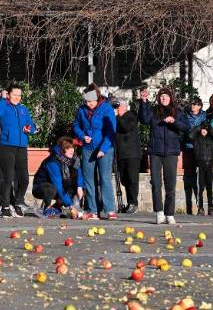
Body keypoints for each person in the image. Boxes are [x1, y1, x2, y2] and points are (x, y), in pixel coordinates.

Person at [138, 87, 189, 224]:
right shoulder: (154, 111)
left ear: (170, 98)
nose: (163, 98)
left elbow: (186, 127)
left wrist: (174, 122)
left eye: (166, 96)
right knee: (155, 182)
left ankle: (169, 213)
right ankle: (159, 212)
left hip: (172, 151)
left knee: (170, 184)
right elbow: (143, 119)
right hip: (155, 151)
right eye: (161, 96)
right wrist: (144, 101)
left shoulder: (177, 112)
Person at [72, 83, 117, 220]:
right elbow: (76, 125)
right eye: (86, 101)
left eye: (90, 101)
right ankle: (93, 210)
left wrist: (103, 149)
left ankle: (110, 210)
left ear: (97, 98)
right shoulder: (81, 110)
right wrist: (82, 136)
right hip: (87, 148)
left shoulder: (107, 109)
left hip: (105, 148)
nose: (88, 104)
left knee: (104, 178)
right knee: (89, 179)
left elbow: (111, 131)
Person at [0, 83, 38, 218]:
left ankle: (18, 203)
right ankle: (5, 206)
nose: (17, 97)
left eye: (19, 95)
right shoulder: (4, 106)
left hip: (21, 146)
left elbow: (31, 124)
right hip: (6, 146)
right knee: (8, 178)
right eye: (14, 95)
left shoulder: (24, 109)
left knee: (24, 178)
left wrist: (31, 129)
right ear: (8, 94)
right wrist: (2, 98)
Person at [32, 136, 85, 219]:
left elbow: (79, 173)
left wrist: (80, 187)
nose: (72, 150)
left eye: (73, 147)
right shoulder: (52, 162)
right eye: (68, 148)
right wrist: (71, 206)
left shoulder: (74, 160)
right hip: (41, 187)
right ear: (62, 150)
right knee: (50, 188)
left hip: (59, 187)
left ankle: (56, 208)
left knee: (76, 186)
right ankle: (47, 209)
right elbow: (58, 185)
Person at [189, 120, 213, 216]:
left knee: (209, 187)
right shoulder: (196, 138)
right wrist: (199, 127)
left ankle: (210, 208)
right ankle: (200, 208)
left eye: (205, 129)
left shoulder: (211, 138)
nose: (204, 131)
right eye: (202, 129)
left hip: (209, 166)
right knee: (200, 188)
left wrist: (211, 129)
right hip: (200, 165)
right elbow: (190, 136)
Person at [113, 98, 141, 214]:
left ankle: (133, 203)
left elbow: (125, 128)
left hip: (132, 154)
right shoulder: (116, 119)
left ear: (125, 107)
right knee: (124, 179)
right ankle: (130, 203)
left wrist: (118, 117)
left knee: (132, 179)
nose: (117, 109)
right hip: (121, 154)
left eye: (118, 106)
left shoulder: (131, 116)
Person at [181, 97, 206, 215]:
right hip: (188, 148)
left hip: (200, 148)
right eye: (192, 104)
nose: (193, 106)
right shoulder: (186, 116)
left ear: (200, 106)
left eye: (195, 104)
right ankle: (190, 206)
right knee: (189, 177)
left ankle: (200, 205)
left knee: (200, 178)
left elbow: (206, 130)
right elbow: (184, 131)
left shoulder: (204, 116)